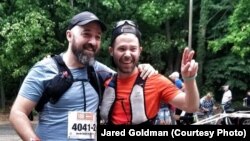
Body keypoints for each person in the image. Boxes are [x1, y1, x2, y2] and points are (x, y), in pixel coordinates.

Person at [9, 12, 157, 141]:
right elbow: (18, 113)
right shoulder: (45, 69)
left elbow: (128, 78)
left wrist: (143, 68)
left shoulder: (99, 71)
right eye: (86, 34)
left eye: (97, 37)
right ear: (69, 35)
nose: (92, 41)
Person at [99, 20, 200, 125]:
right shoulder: (105, 82)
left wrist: (189, 79)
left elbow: (191, 106)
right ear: (111, 51)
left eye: (133, 49)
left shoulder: (155, 80)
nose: (127, 54)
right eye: (122, 49)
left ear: (140, 51)